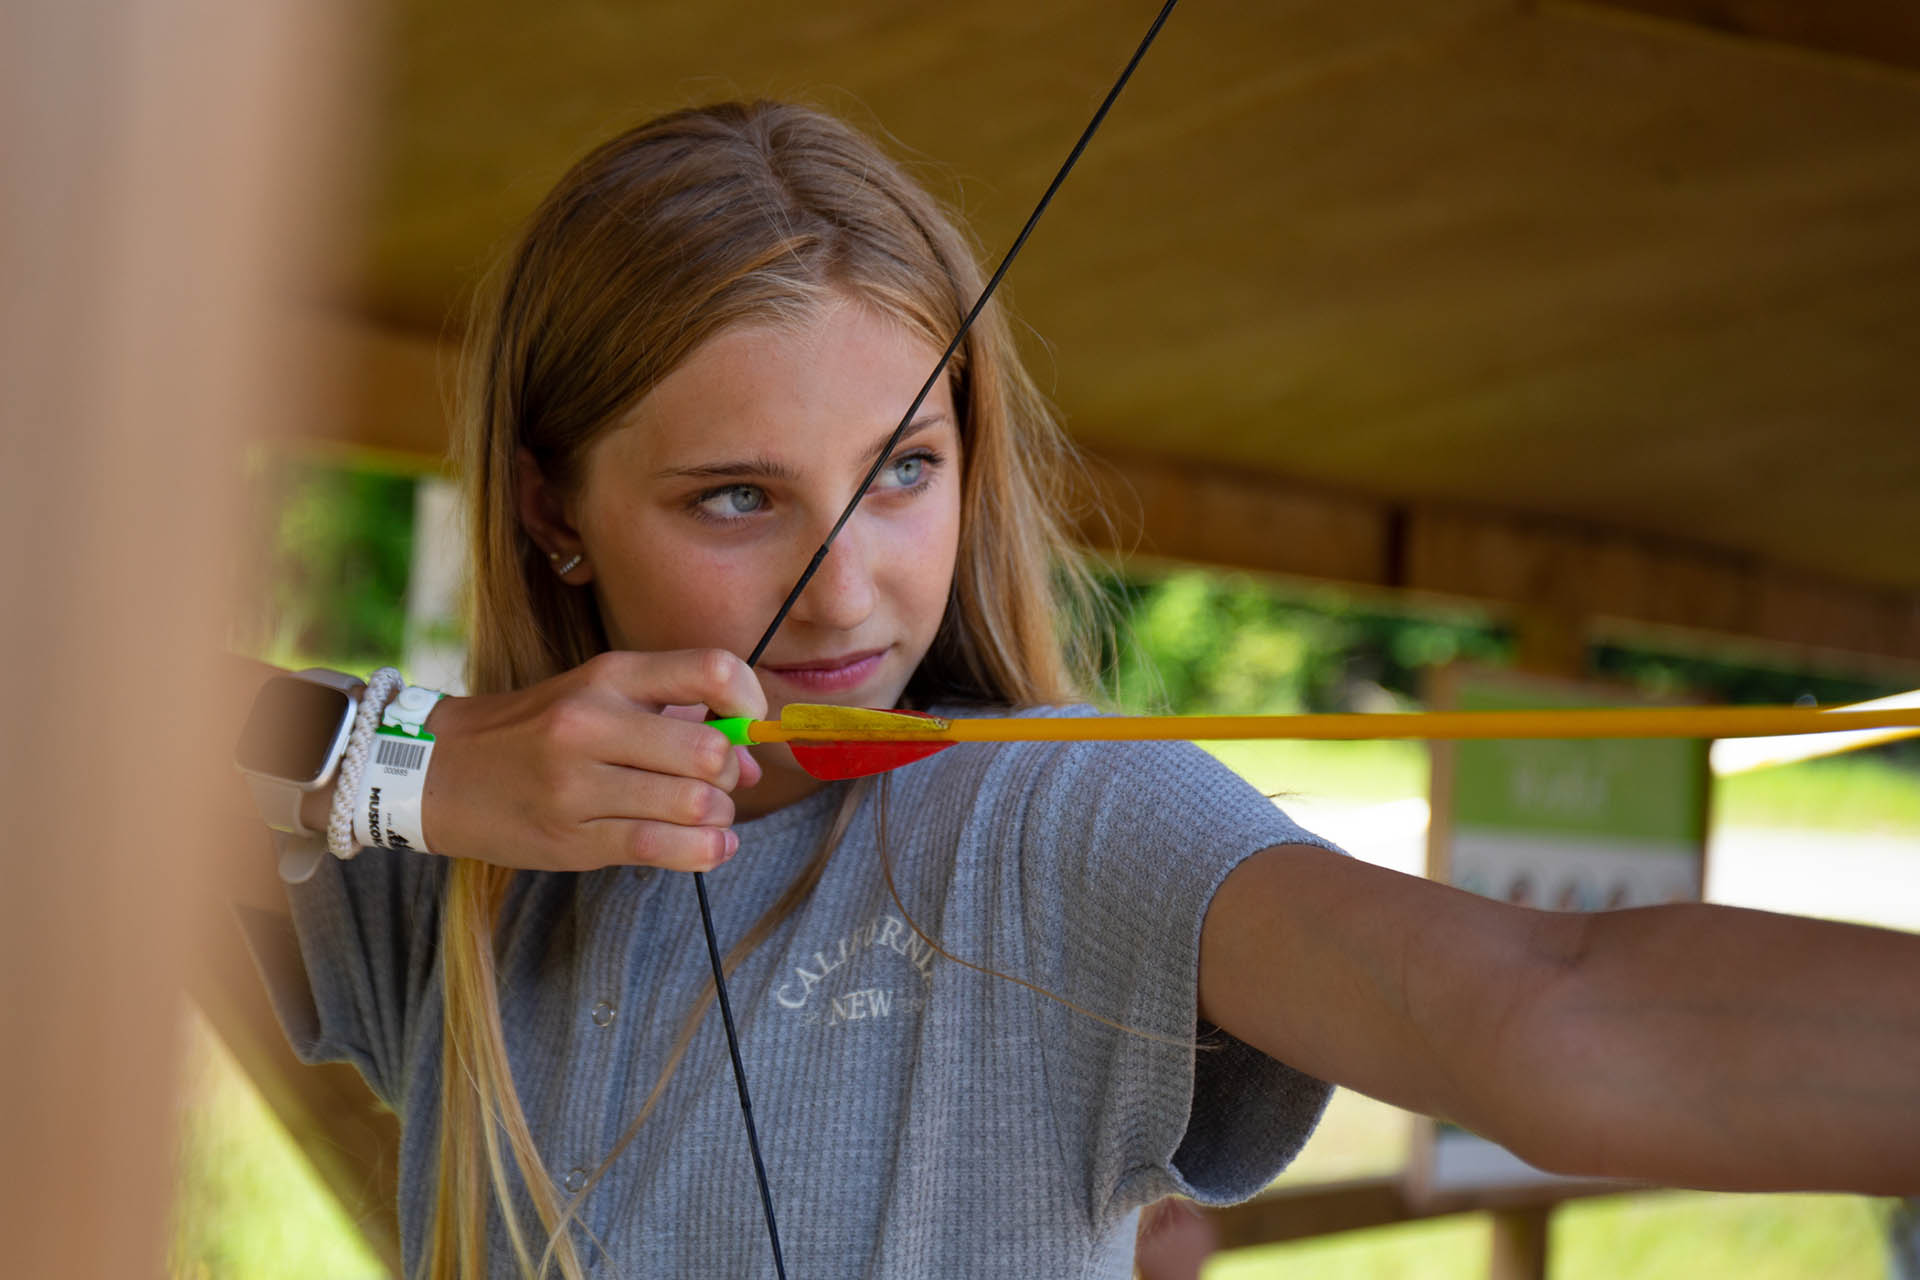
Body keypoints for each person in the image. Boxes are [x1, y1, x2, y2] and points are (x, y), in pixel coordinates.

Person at [251, 101, 1920, 1280]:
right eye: (737, 498)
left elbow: (1545, 1002)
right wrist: (395, 767)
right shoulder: (456, 873)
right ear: (550, 513)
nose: (847, 585)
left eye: (901, 469)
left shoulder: (1056, 815)